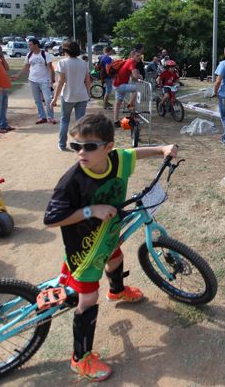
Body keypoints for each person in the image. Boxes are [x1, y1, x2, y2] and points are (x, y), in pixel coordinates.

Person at [44, 113, 177, 380]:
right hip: (84, 248)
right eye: (76, 146)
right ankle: (79, 358)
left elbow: (132, 153)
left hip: (106, 234)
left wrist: (162, 149)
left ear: (108, 147)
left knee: (115, 256)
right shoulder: (72, 181)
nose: (81, 153)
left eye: (89, 146)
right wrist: (91, 210)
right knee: (88, 299)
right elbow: (52, 219)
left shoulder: (116, 160)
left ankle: (117, 291)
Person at [51, 41, 91, 152]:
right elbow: (88, 80)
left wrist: (54, 98)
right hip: (82, 96)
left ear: (66, 51)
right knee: (80, 122)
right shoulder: (83, 63)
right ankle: (81, 144)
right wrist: (88, 94)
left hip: (68, 95)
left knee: (64, 120)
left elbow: (61, 81)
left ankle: (62, 144)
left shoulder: (62, 62)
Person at [13, 39, 57, 124]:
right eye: (29, 45)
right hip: (32, 80)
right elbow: (26, 67)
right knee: (37, 100)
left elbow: (50, 68)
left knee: (48, 99)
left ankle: (50, 117)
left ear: (36, 45)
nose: (29, 46)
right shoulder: (29, 55)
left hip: (44, 81)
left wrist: (51, 80)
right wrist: (17, 76)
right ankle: (42, 117)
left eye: (30, 45)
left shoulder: (45, 54)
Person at [111, 49, 143, 124]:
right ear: (132, 56)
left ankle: (116, 121)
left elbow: (133, 76)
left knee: (118, 102)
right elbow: (135, 76)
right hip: (120, 85)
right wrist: (140, 76)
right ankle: (130, 105)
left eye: (140, 56)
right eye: (137, 56)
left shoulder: (128, 61)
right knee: (136, 89)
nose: (139, 57)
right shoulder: (131, 62)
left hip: (117, 84)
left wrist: (136, 77)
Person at [96, 46, 115, 111]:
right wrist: (112, 75)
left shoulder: (101, 56)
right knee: (108, 91)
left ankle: (106, 102)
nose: (112, 52)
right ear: (110, 51)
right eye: (111, 51)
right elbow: (107, 69)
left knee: (106, 89)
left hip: (102, 76)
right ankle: (105, 105)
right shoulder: (108, 58)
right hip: (107, 77)